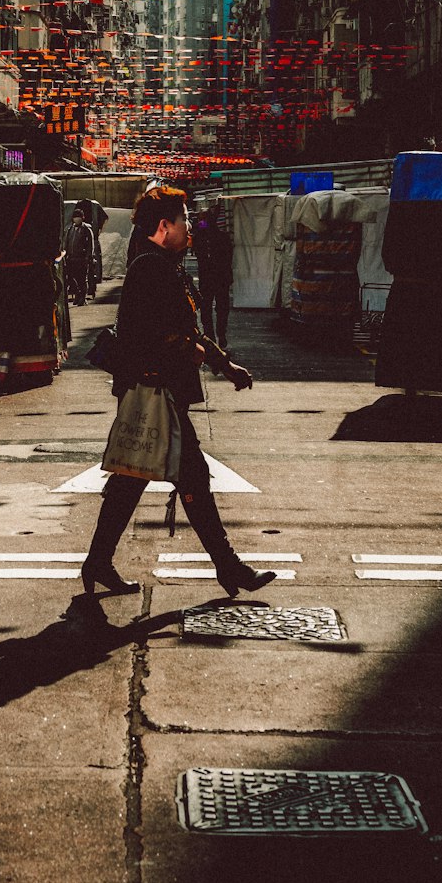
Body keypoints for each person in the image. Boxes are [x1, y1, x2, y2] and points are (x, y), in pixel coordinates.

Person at [81, 185, 276, 599]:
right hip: (156, 392)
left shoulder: (166, 264)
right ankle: (229, 567)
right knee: (192, 477)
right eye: (184, 219)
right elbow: (151, 334)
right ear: (164, 226)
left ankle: (97, 562)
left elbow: (189, 329)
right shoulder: (150, 268)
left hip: (161, 391)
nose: (190, 226)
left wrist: (223, 362)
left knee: (131, 480)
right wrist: (196, 352)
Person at [192, 201, 233, 351]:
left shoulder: (202, 234)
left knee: (207, 307)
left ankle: (211, 336)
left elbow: (197, 234)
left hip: (208, 276)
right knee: (221, 307)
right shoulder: (222, 236)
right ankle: (220, 334)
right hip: (221, 276)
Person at [64, 208, 95, 307]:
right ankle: (77, 294)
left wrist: (88, 256)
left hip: (82, 258)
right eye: (75, 217)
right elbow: (66, 243)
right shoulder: (70, 229)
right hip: (71, 258)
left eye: (79, 217)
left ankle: (82, 297)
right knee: (71, 278)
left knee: (82, 279)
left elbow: (91, 244)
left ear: (82, 218)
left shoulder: (86, 229)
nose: (76, 219)